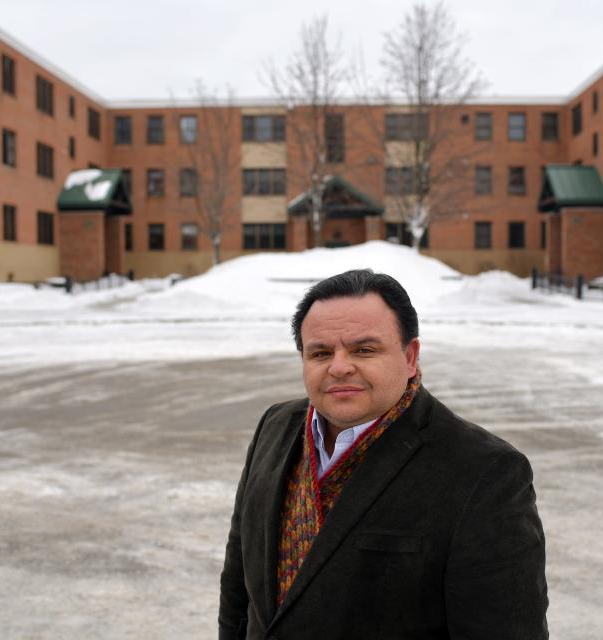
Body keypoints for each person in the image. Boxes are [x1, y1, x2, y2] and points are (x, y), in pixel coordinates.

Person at [219, 269, 548, 639]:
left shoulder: (484, 471)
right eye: (321, 352)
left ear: (410, 356)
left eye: (364, 349)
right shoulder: (275, 426)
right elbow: (238, 581)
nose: (339, 366)